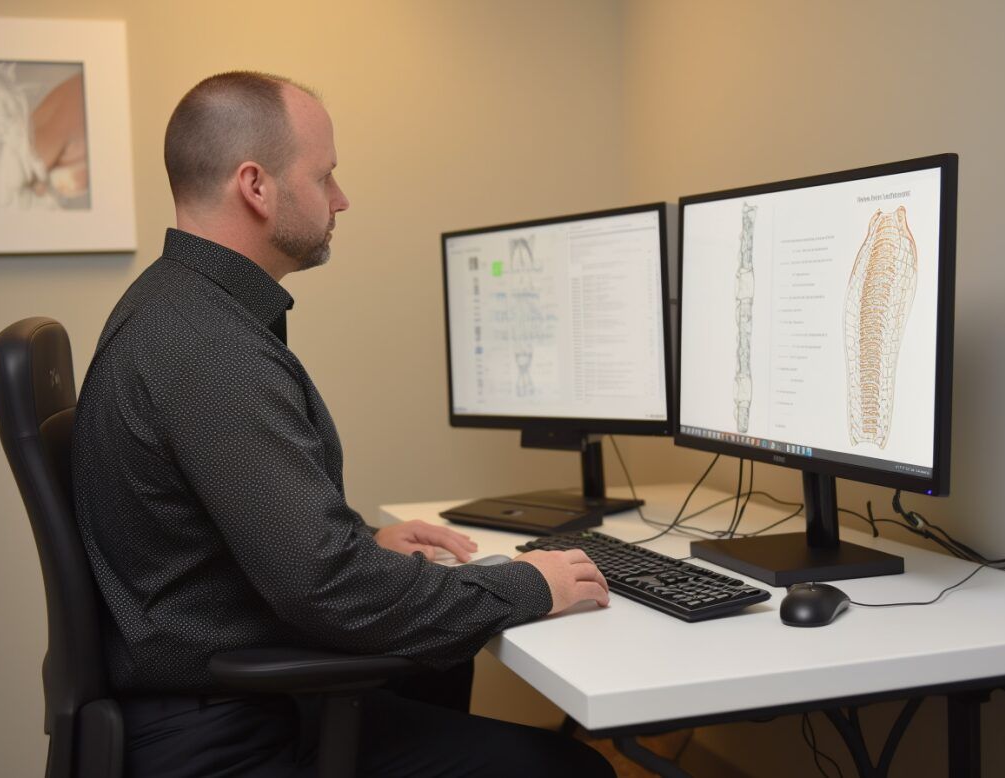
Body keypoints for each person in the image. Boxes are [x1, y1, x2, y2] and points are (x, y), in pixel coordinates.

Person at [71, 71, 615, 777]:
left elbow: (230, 533)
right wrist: (529, 584)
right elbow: (326, 589)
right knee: (576, 770)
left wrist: (362, 541)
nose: (341, 198)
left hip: (217, 700)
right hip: (226, 738)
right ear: (256, 187)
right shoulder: (205, 346)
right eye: (325, 176)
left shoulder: (182, 310)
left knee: (440, 671)